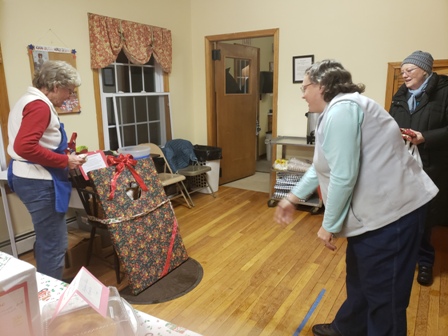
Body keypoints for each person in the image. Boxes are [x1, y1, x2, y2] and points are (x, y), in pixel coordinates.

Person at [274, 60, 438, 336]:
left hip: (392, 216)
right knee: (360, 279)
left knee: (385, 297)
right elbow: (322, 166)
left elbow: (342, 175)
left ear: (322, 86)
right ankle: (348, 328)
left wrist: (329, 225)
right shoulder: (339, 109)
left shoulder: (344, 110)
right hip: (375, 215)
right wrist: (292, 197)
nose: (302, 94)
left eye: (304, 88)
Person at [7, 60, 86, 280]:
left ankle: (44, 284)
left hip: (28, 177)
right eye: (69, 91)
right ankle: (51, 298)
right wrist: (65, 161)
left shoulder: (26, 101)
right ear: (54, 86)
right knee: (54, 243)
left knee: (46, 238)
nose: (69, 97)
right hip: (39, 181)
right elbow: (25, 147)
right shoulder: (39, 106)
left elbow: (31, 144)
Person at [389, 50, 448, 287]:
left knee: (423, 218)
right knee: (400, 213)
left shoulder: (444, 93)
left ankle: (425, 261)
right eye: (402, 71)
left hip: (432, 165)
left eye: (409, 70)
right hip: (402, 165)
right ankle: (401, 258)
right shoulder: (399, 95)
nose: (404, 75)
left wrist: (427, 137)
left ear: (425, 70)